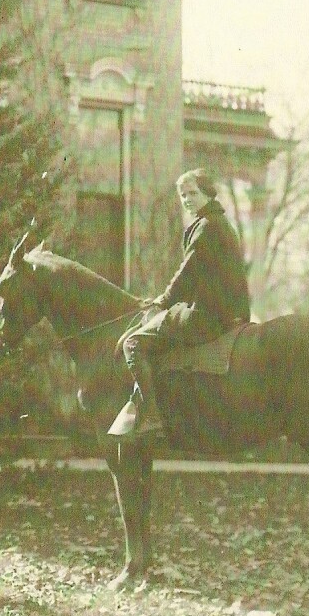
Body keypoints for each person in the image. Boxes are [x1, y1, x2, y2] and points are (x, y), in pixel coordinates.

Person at [109, 168, 252, 441]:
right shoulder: (218, 223)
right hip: (225, 314)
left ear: (208, 193)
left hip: (205, 316)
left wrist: (162, 302)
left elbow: (188, 274)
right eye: (183, 195)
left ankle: (152, 417)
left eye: (192, 193)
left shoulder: (208, 227)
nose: (187, 199)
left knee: (133, 343)